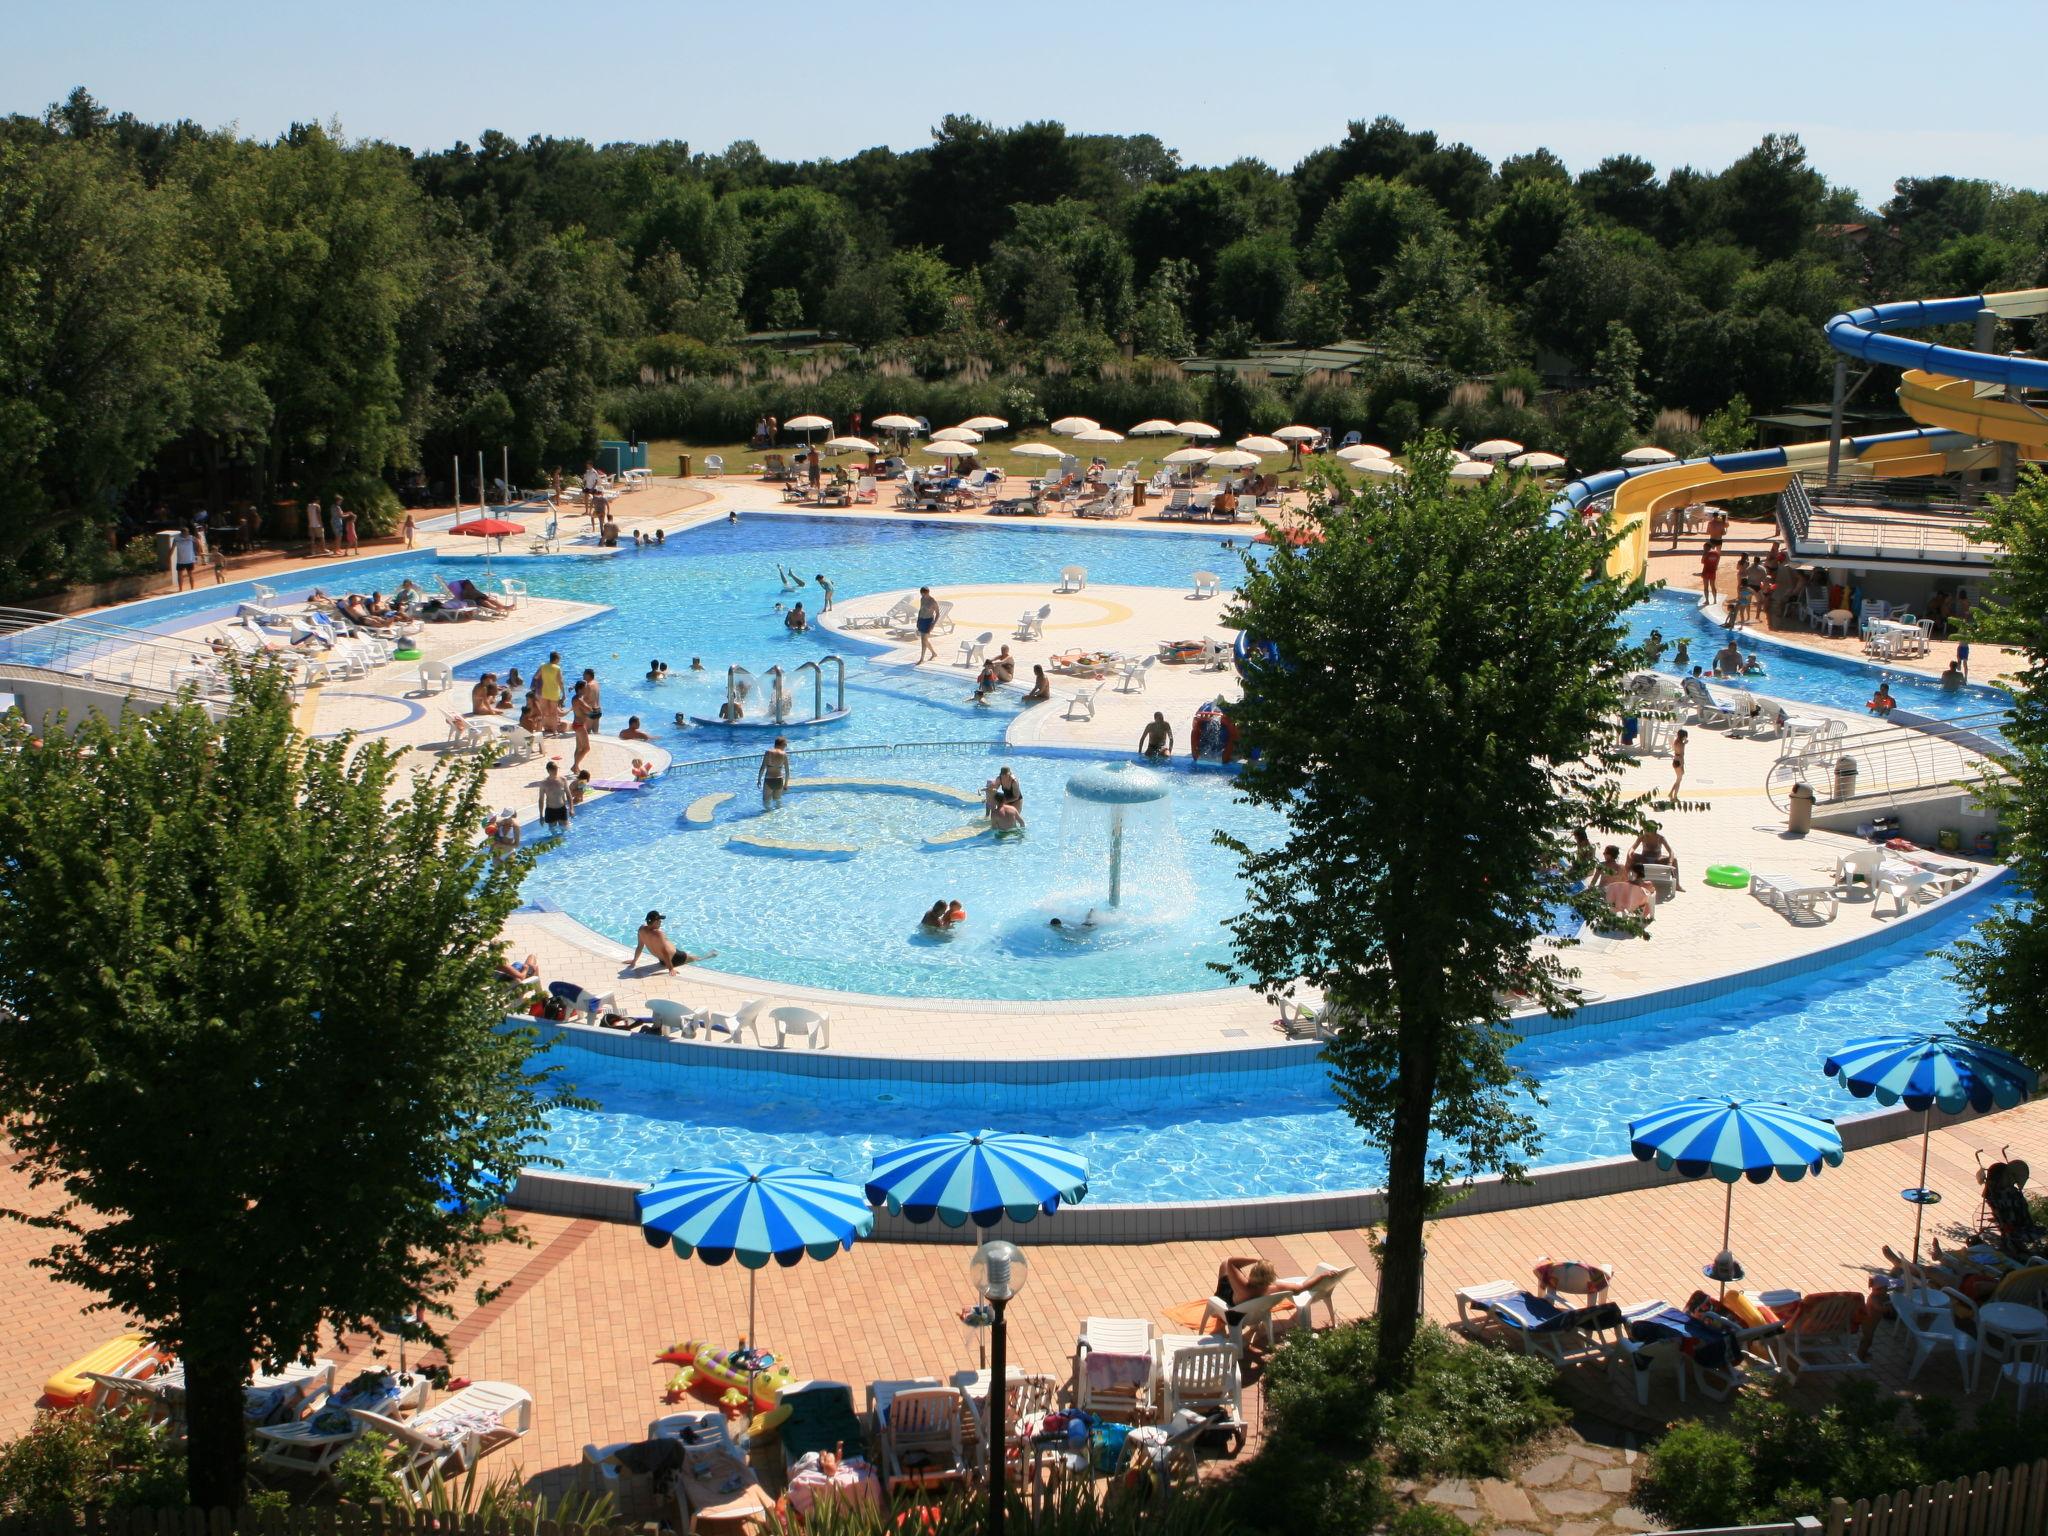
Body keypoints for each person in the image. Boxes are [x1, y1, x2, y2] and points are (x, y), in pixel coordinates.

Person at [631, 911, 709, 976]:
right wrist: (671, 969)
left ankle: (708, 955)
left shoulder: (641, 930)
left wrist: (634, 961)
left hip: (663, 961)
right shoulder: (658, 934)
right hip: (677, 957)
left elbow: (640, 946)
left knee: (695, 958)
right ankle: (711, 955)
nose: (660, 922)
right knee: (697, 958)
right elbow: (665, 951)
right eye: (659, 920)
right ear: (654, 922)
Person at [1212, 1257, 1282, 1327]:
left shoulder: (1243, 1287)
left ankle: (1217, 1313)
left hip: (1234, 1314)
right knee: (1234, 1275)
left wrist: (1257, 1260)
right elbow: (1291, 1287)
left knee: (1225, 1265)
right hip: (1255, 1316)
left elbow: (1230, 1261)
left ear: (1253, 1274)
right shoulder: (1272, 1289)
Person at [1632, 823, 1682, 891]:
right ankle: (1631, 880)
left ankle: (1677, 885)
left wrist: (1670, 862)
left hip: (1657, 860)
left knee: (1674, 859)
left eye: (1647, 829)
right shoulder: (1643, 837)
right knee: (1632, 855)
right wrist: (1630, 853)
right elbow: (1633, 848)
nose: (1645, 831)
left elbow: (1671, 851)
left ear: (1653, 830)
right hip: (1644, 860)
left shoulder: (1660, 838)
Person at [538, 761, 572, 834]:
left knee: (566, 831)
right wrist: (541, 815)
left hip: (562, 809)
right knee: (553, 833)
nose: (556, 770)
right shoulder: (544, 783)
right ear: (548, 771)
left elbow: (568, 794)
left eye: (557, 768)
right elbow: (541, 800)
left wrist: (571, 808)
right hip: (550, 810)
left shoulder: (563, 780)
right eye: (554, 769)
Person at [759, 735, 790, 809]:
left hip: (769, 780)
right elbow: (787, 771)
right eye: (785, 745)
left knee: (766, 802)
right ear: (782, 745)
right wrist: (785, 784)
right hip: (779, 780)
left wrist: (759, 779)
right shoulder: (784, 754)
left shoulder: (768, 753)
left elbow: (762, 767)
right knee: (778, 803)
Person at [537, 652, 565, 732]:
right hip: (554, 693)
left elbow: (536, 676)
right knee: (554, 713)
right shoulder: (557, 668)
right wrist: (564, 694)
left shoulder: (543, 666)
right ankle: (554, 731)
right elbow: (561, 682)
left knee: (542, 713)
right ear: (556, 659)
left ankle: (539, 730)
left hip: (544, 692)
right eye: (559, 659)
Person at [571, 679, 595, 768]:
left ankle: (576, 767)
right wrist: (590, 707)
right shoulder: (579, 700)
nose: (587, 689)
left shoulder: (575, 698)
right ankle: (575, 766)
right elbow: (589, 710)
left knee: (578, 748)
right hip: (580, 726)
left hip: (577, 724)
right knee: (586, 748)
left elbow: (582, 711)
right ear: (580, 689)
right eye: (585, 688)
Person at [914, 586, 940, 665]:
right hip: (921, 620)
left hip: (928, 621)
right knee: (925, 640)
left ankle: (922, 659)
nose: (922, 596)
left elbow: (938, 613)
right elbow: (920, 610)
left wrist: (933, 624)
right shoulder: (922, 599)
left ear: (927, 593)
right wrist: (918, 620)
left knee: (923, 640)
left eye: (923, 594)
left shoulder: (932, 601)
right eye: (921, 594)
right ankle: (933, 653)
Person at [173, 526, 198, 591]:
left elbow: (198, 541)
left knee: (190, 575)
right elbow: (172, 548)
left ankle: (192, 589)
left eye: (188, 532)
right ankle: (180, 589)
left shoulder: (191, 537)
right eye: (186, 533)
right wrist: (168, 557)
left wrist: (199, 551)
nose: (187, 534)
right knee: (180, 575)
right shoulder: (176, 538)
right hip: (180, 561)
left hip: (189, 560)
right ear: (182, 533)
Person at [1699, 538, 1723, 606]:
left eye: (1704, 548)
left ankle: (1707, 600)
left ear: (1706, 547)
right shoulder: (1716, 553)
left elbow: (1702, 561)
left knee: (1706, 587)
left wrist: (1704, 554)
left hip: (1706, 571)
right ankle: (1715, 600)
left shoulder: (1706, 553)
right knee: (1713, 586)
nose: (1703, 549)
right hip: (1713, 571)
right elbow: (1717, 562)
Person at [1669, 728, 1689, 797]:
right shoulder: (1681, 744)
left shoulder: (1676, 742)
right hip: (1679, 762)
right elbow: (1681, 756)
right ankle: (1675, 796)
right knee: (1678, 781)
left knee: (1678, 779)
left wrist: (1684, 743)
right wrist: (1682, 766)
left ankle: (1671, 793)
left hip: (1675, 761)